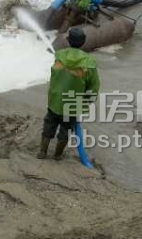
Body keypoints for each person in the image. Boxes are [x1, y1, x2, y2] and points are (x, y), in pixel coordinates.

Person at [38, 27, 101, 160]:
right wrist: (88, 100)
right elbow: (94, 86)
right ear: (83, 42)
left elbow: (54, 74)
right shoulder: (89, 62)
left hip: (55, 100)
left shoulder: (59, 56)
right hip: (73, 104)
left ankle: (42, 152)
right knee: (66, 129)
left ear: (68, 40)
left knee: (49, 124)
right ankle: (57, 155)